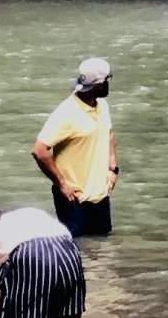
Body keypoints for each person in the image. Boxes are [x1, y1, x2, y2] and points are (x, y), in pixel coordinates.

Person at [34, 58, 118, 238]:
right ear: (99, 85)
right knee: (77, 256)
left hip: (101, 196)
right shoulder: (66, 113)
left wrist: (112, 168)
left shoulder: (102, 106)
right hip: (74, 200)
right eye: (107, 80)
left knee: (103, 250)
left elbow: (109, 133)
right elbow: (39, 151)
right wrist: (62, 184)